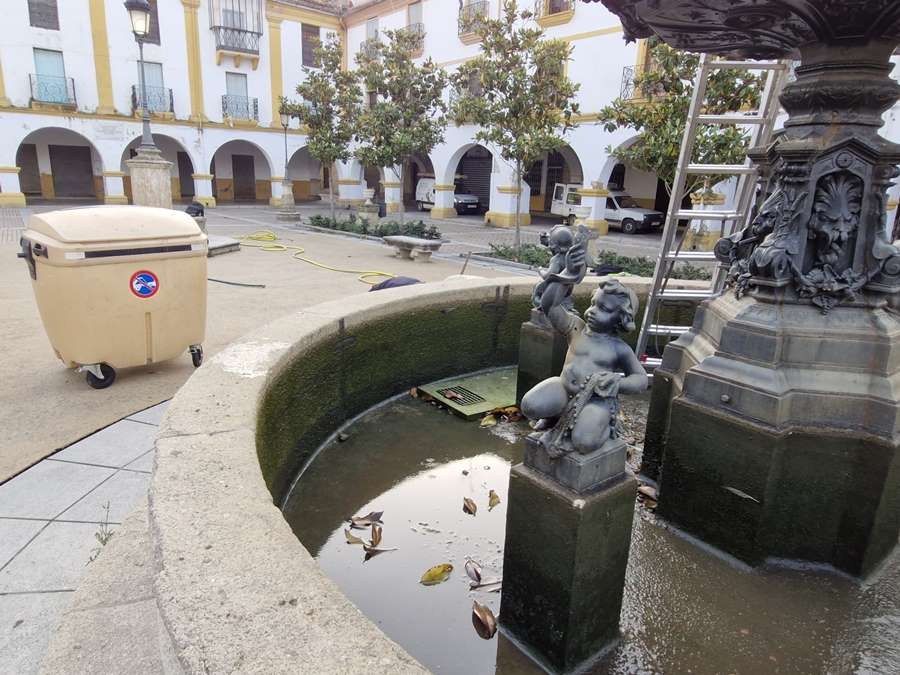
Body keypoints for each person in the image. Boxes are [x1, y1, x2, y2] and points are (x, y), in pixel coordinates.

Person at [521, 276, 648, 457]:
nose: (593, 311)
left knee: (584, 442)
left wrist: (617, 383)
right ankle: (556, 417)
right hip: (564, 389)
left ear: (620, 319)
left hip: (595, 400)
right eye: (593, 303)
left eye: (603, 309)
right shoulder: (576, 327)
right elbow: (550, 306)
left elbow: (641, 379)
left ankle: (605, 429)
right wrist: (564, 278)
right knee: (530, 406)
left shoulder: (619, 348)